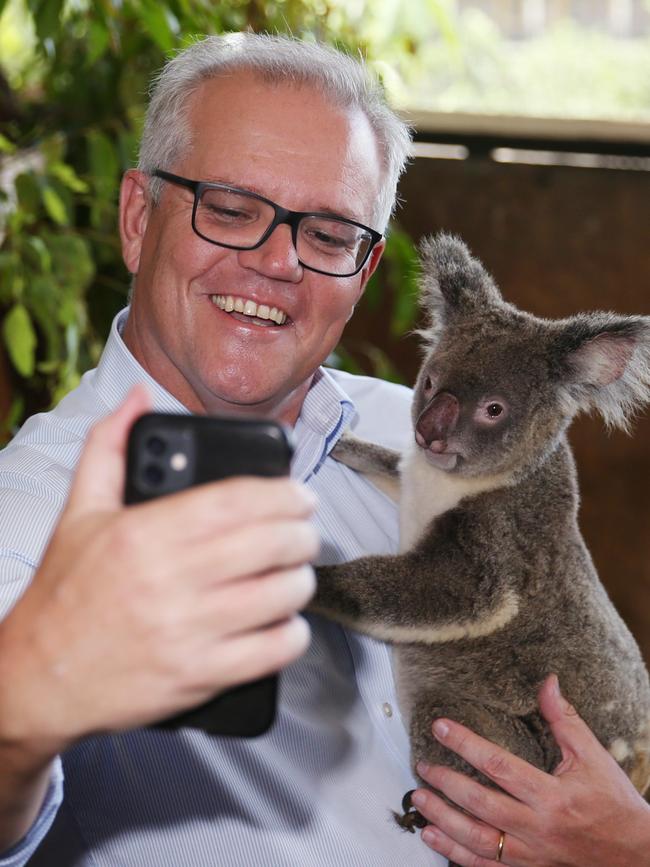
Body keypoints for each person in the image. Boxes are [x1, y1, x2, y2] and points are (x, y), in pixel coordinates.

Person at [0, 32, 648, 867]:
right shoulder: (31, 516)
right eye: (229, 209)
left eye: (330, 234)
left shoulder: (434, 439)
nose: (277, 263)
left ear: (368, 267)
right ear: (136, 219)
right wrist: (22, 711)